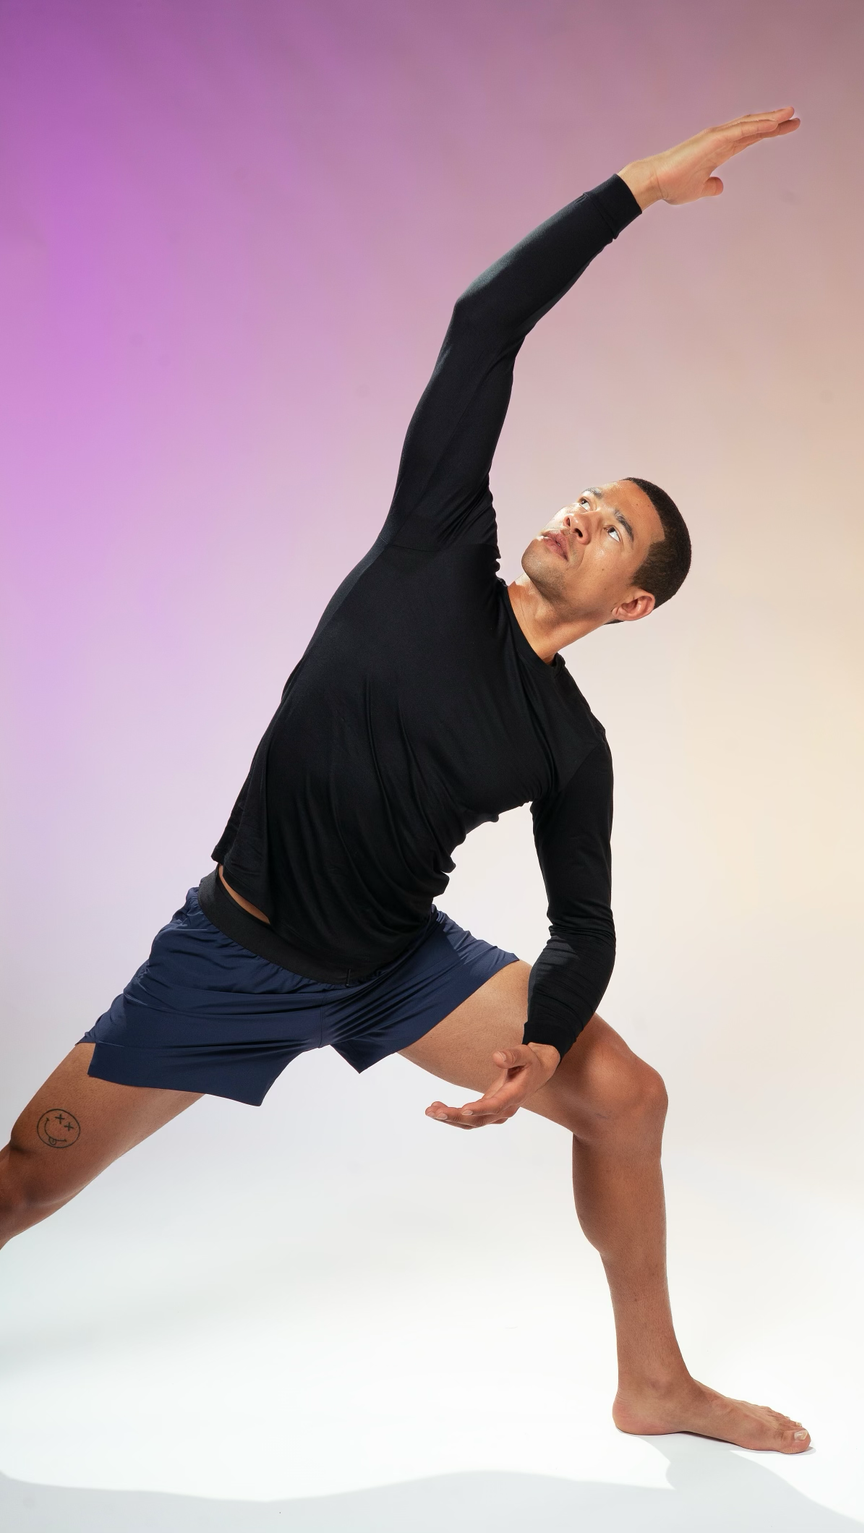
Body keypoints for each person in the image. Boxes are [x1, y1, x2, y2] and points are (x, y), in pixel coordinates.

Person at [0, 108, 809, 1452]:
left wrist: (543, 1035)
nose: (576, 515)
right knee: (24, 1181)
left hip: (393, 965)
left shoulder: (568, 741)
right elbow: (483, 323)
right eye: (584, 496)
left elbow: (586, 922)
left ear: (635, 604)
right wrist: (629, 194)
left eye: (613, 529)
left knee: (625, 1097)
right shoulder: (439, 543)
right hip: (233, 948)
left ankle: (654, 1386)